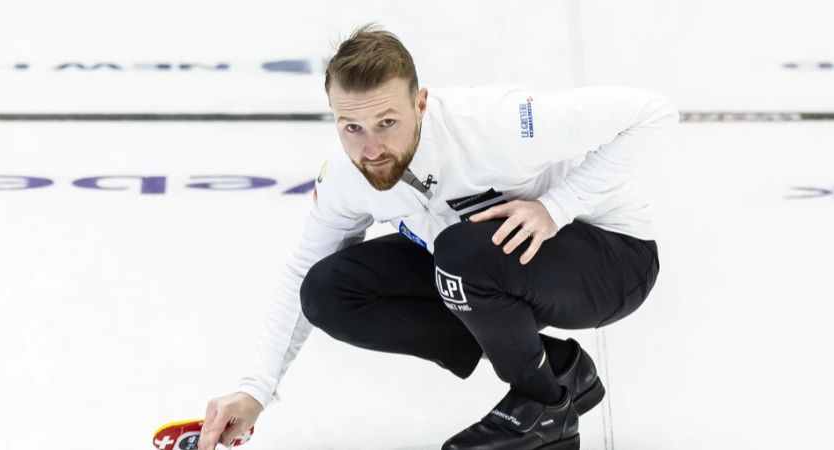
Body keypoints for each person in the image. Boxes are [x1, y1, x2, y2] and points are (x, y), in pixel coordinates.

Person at [198, 24, 678, 450]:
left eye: (387, 122)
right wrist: (257, 389)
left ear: (420, 103)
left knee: (459, 252)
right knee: (328, 291)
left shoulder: (497, 125)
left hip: (612, 256)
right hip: (487, 262)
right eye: (351, 127)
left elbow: (651, 113)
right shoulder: (350, 174)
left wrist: (557, 206)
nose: (371, 148)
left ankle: (544, 408)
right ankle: (557, 369)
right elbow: (304, 268)